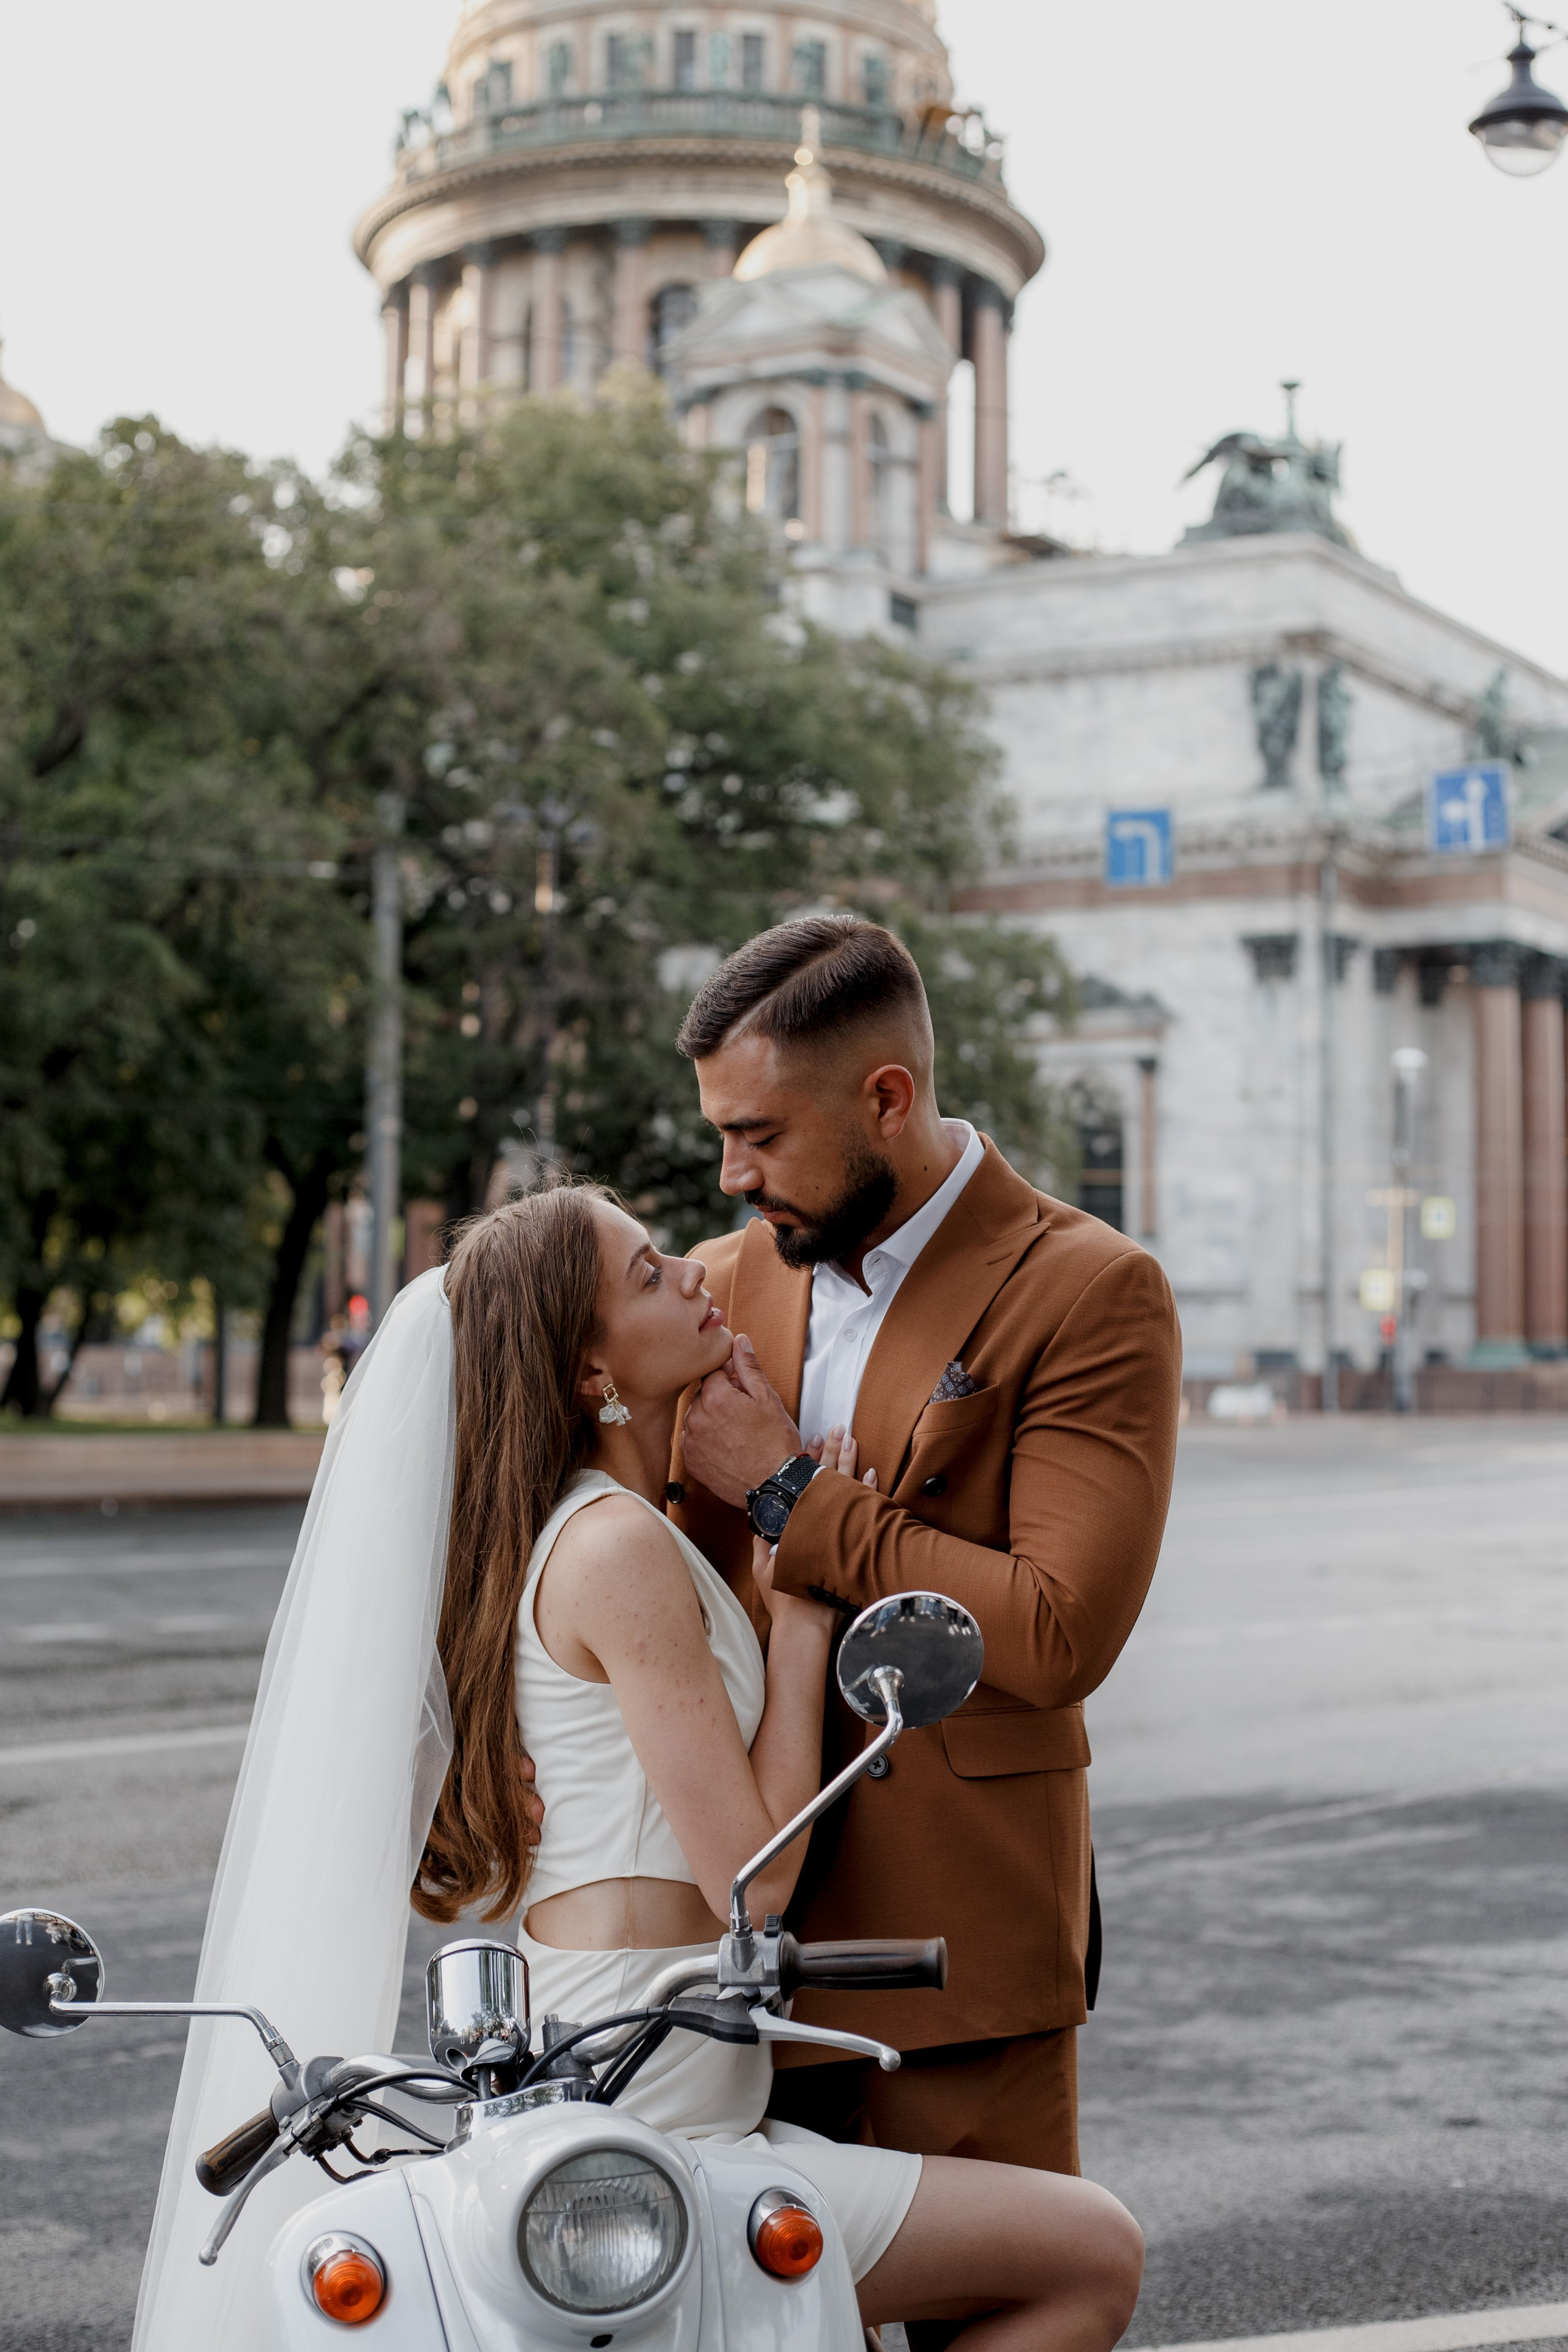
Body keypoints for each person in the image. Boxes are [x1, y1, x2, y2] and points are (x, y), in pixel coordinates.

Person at [134, 1183, 1142, 2351]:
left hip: (646, 2070)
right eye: (649, 1274)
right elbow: (754, 1881)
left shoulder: (591, 1524)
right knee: (1091, 2254)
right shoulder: (615, 1546)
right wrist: (804, 1621)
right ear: (590, 1373)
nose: (698, 1273)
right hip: (653, 2113)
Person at [669, 914, 1181, 2285]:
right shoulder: (711, 1289)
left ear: (885, 1100)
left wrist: (788, 1494)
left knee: (1016, 2298)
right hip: (718, 1961)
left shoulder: (1088, 1288)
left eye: (759, 1135)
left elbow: (1055, 1630)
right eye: (721, 1134)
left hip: (960, 1948)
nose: (731, 1175)